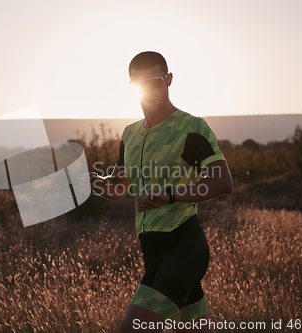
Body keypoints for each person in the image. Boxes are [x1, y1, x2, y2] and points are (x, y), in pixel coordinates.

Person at [81, 51, 233, 332]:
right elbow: (120, 187)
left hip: (184, 246)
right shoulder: (129, 134)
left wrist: (170, 195)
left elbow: (223, 181)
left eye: (154, 81)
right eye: (140, 84)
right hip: (151, 249)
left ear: (169, 80)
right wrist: (97, 182)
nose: (148, 90)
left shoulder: (191, 127)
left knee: (132, 326)